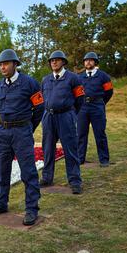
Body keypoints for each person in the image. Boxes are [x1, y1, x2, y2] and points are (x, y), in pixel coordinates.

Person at [0, 49, 45, 226]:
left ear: (15, 64)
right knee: (2, 170)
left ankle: (31, 209)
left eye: (5, 64)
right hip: (3, 132)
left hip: (22, 132)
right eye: (0, 65)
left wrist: (27, 128)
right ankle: (1, 203)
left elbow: (40, 109)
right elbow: (0, 108)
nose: (2, 67)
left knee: (28, 172)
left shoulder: (30, 83)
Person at [40, 51, 85, 194]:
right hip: (48, 117)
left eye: (57, 60)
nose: (54, 62)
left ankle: (75, 180)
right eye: (52, 60)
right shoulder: (45, 80)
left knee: (70, 148)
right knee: (47, 148)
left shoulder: (73, 78)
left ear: (63, 62)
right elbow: (42, 99)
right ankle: (47, 177)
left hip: (66, 116)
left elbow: (80, 100)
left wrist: (70, 113)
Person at [78, 52, 114, 167]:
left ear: (95, 62)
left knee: (100, 133)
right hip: (83, 107)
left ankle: (104, 159)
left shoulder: (103, 76)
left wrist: (101, 102)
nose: (88, 62)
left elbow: (109, 92)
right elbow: (76, 93)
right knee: (81, 134)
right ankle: (80, 158)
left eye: (91, 60)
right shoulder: (79, 77)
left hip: (97, 106)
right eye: (86, 60)